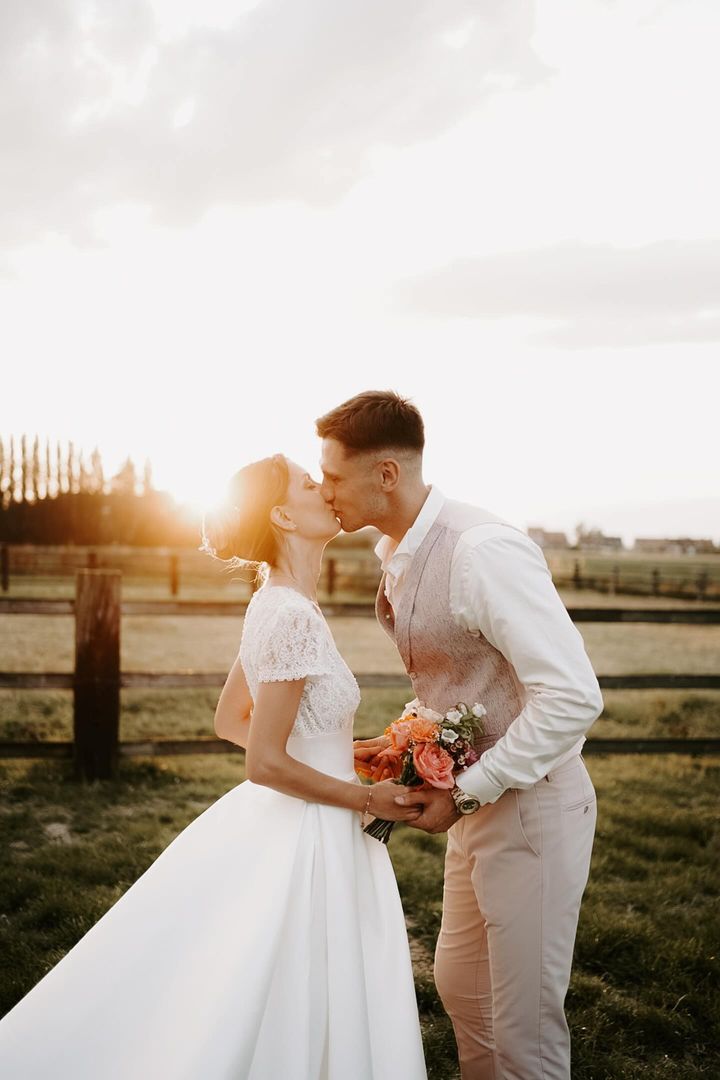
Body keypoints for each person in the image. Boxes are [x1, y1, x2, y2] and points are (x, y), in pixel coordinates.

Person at [0, 452, 428, 1080]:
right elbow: (261, 761)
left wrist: (344, 747)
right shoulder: (289, 614)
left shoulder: (277, 601)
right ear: (283, 512)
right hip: (309, 830)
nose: (327, 489)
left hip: (308, 811)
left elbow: (230, 719)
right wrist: (370, 799)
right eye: (312, 484)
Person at [315, 391, 604, 1080]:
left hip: (531, 811)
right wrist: (411, 745)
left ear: (386, 474)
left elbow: (572, 695)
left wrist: (467, 790)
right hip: (476, 805)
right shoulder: (400, 553)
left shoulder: (482, 549)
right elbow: (457, 677)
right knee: (463, 990)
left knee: (524, 1033)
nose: (322, 491)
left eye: (331, 476)